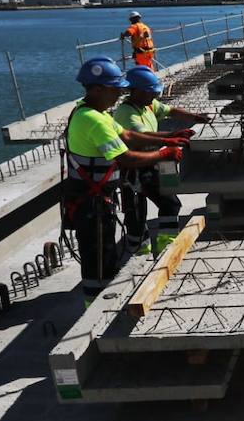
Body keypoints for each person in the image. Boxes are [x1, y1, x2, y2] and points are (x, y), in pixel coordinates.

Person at [61, 57, 184, 301]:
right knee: (99, 260)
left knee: (104, 252)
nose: (120, 93)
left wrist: (167, 139)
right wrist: (164, 154)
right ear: (97, 89)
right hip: (90, 203)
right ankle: (94, 312)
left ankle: (100, 300)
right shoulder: (93, 120)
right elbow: (126, 157)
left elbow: (127, 135)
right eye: (115, 88)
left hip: (95, 199)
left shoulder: (93, 111)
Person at [114, 67, 210, 254]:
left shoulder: (148, 105)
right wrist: (171, 137)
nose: (155, 96)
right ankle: (140, 251)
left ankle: (164, 244)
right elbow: (141, 136)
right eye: (152, 92)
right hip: (134, 167)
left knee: (166, 203)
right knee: (138, 210)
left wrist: (195, 117)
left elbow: (171, 111)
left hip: (149, 162)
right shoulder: (127, 112)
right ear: (138, 91)